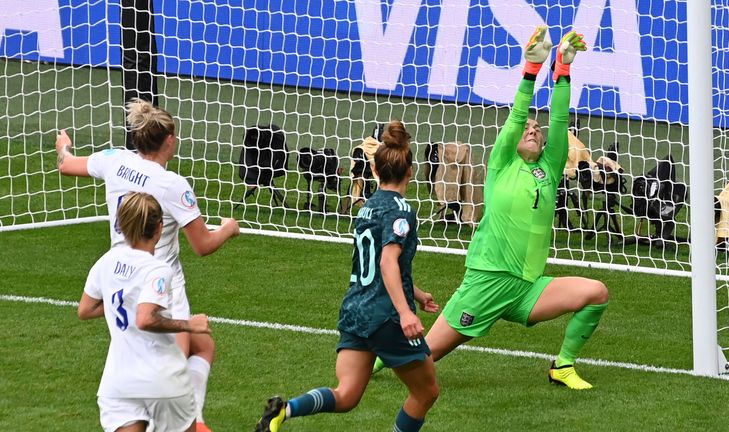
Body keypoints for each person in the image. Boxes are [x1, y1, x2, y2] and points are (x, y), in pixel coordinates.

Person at [375, 26, 609, 390]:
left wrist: (562, 69)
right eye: (526, 128)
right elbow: (517, 114)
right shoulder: (501, 164)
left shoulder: (548, 168)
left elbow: (560, 120)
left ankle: (562, 366)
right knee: (420, 358)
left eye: (536, 129)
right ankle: (372, 358)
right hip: (487, 281)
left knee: (595, 293)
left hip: (527, 288)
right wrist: (532, 71)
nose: (532, 130)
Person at [57, 99, 240, 430]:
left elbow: (67, 165)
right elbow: (203, 245)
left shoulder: (113, 160)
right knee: (173, 380)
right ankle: (192, 421)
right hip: (164, 290)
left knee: (195, 350)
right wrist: (228, 229)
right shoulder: (171, 185)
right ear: (169, 140)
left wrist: (64, 146)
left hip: (117, 278)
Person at [254, 120, 440, 432]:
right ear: (410, 171)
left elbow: (377, 261)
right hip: (387, 317)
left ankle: (284, 411)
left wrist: (416, 293)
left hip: (356, 311)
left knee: (347, 395)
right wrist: (406, 311)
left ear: (376, 172)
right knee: (426, 392)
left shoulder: (366, 208)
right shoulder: (401, 210)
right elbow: (386, 263)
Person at [78, 191, 211, 432]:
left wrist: (127, 303)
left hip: (118, 384)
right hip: (161, 380)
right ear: (159, 229)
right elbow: (146, 318)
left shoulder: (105, 262)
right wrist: (189, 324)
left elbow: (85, 309)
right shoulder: (158, 269)